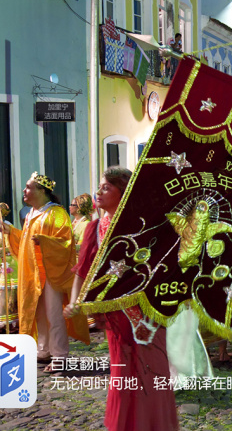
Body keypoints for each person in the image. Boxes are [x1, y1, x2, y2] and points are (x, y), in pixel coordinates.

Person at [64, 167, 178, 431]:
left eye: (106, 187)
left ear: (123, 191)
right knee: (122, 371)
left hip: (147, 312)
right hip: (116, 317)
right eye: (100, 186)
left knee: (152, 369)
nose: (99, 191)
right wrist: (74, 302)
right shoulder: (94, 229)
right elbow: (82, 272)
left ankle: (155, 425)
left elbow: (165, 263)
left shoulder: (144, 226)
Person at [0, 172, 88, 367]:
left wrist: (46, 241)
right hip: (33, 272)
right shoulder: (31, 213)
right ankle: (43, 349)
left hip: (51, 272)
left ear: (42, 190)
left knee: (53, 313)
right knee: (37, 311)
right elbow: (25, 239)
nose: (24, 191)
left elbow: (66, 240)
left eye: (28, 187)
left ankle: (60, 355)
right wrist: (12, 232)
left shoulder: (56, 213)